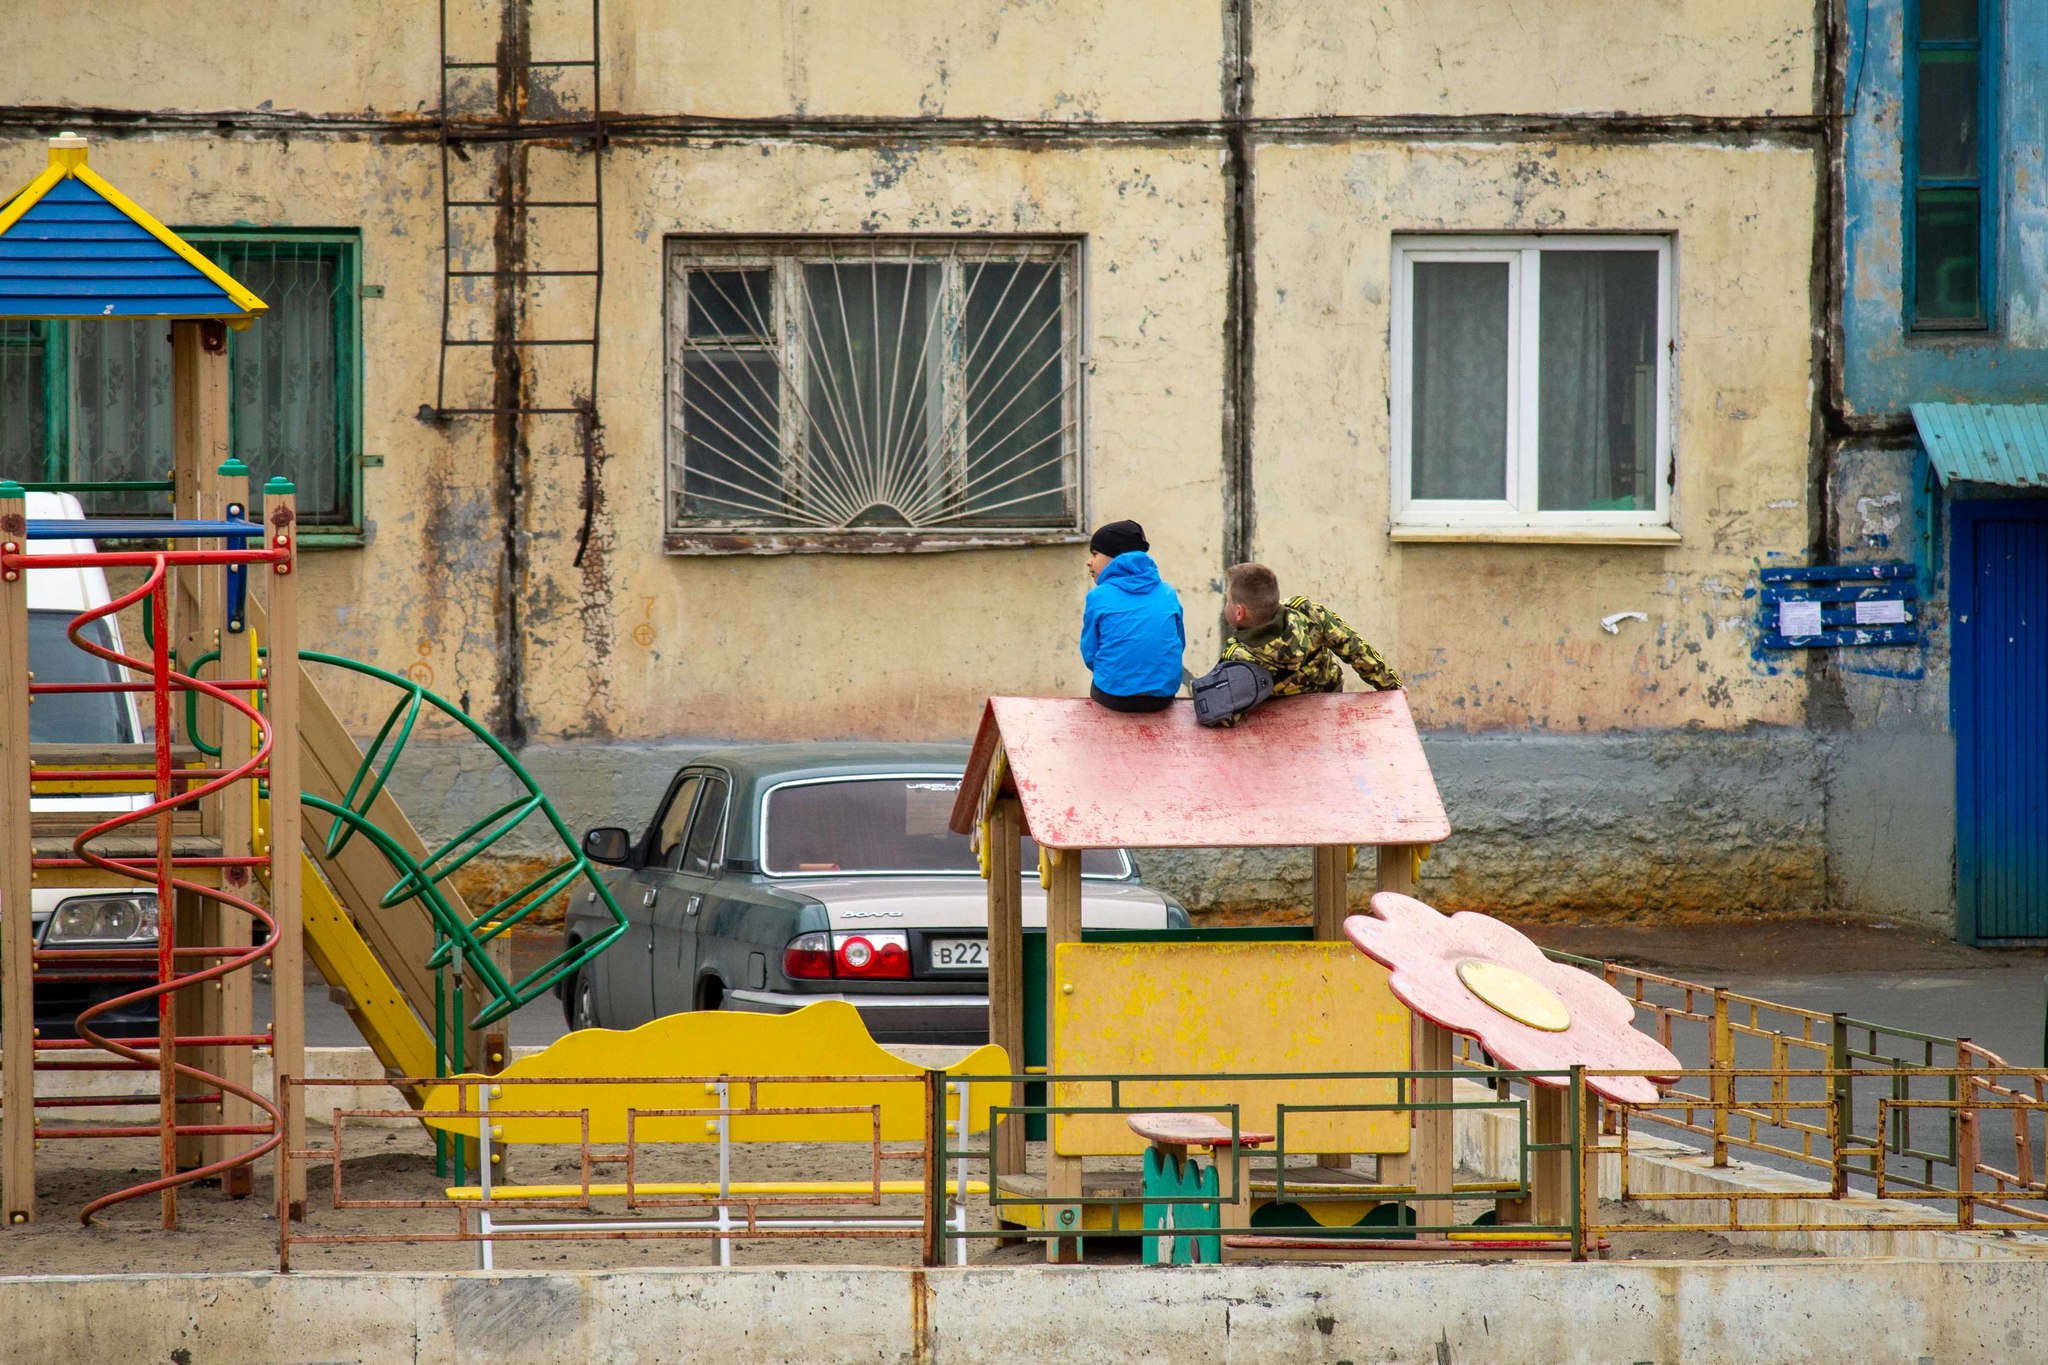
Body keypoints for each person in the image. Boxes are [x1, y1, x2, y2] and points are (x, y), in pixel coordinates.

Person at [1218, 562, 1400, 704]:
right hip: (1329, 703)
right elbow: (1354, 647)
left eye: (1228, 600)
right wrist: (1392, 686)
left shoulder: (1237, 655)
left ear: (1239, 612)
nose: (1227, 604)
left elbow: (1227, 709)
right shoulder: (1306, 612)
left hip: (1276, 725)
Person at [1080, 519, 1185, 713]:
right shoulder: (1168, 593)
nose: (1089, 561)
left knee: (1101, 681)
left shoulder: (1098, 596)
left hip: (1114, 697)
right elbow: (1179, 643)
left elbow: (1090, 654)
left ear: (1115, 558)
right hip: (1162, 698)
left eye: (1095, 554)